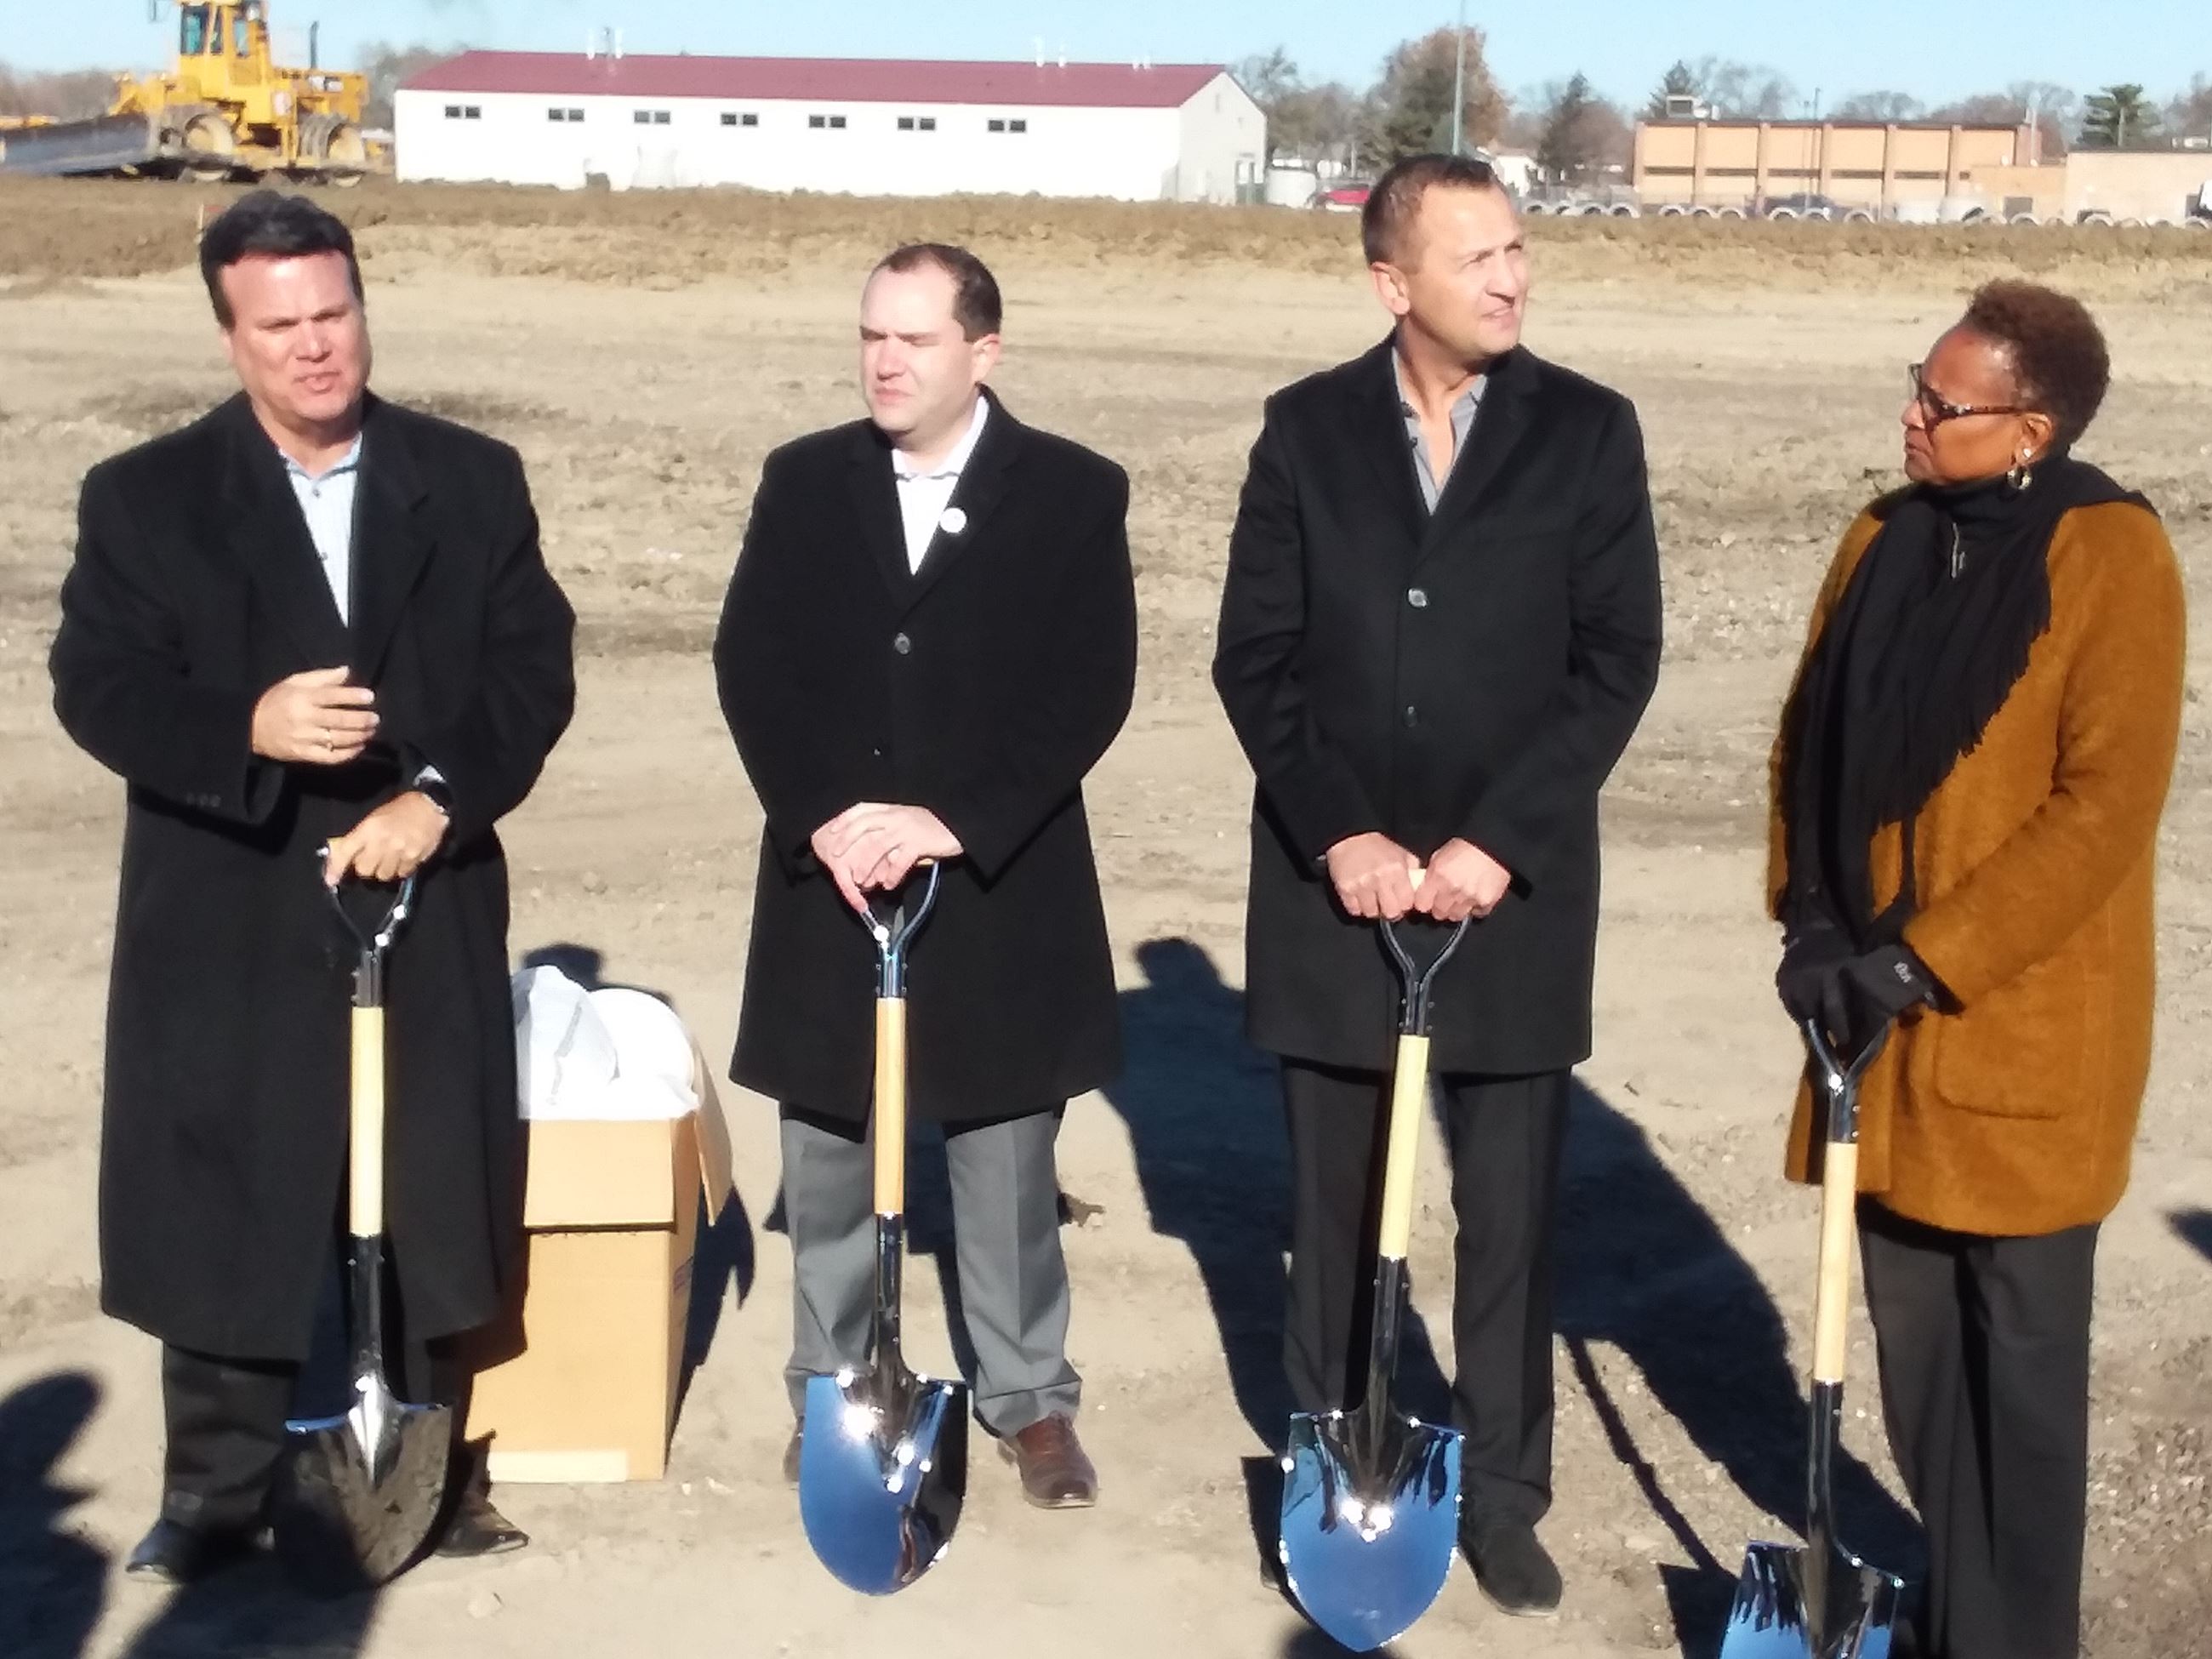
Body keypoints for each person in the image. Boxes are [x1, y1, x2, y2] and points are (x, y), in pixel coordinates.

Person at [50, 191, 575, 1582]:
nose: (313, 348)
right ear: (230, 336)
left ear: (361, 306)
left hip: (423, 890)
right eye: (278, 325)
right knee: (225, 1185)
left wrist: (439, 798)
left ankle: (428, 1469)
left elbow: (533, 673)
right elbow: (94, 686)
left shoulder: (469, 479)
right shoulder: (145, 496)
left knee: (417, 1179)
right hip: (228, 897)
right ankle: (215, 1490)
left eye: (332, 313)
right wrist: (246, 726)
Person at [1211, 153, 1662, 1614]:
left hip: (1507, 897)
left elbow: (1615, 665)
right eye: (1479, 259)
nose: (1514, 278)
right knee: (1335, 1204)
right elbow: (1256, 659)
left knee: (1512, 1216)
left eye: (1520, 251)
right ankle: (1338, 1456)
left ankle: (1507, 1492)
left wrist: (1498, 841)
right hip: (1336, 894)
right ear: (1393, 283)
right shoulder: (1301, 432)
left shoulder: (1589, 434)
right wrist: (1341, 831)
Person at [1770, 281, 2184, 1659]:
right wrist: (1813, 921)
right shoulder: (1880, 539)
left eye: (1944, 404)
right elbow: (1805, 737)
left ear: (2031, 427)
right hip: (1873, 1037)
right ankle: (1958, 1614)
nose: (1914, 414)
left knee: (2020, 1386)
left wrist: (1926, 959)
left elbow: (2104, 808)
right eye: (1918, 384)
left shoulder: (2111, 554)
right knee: (1920, 1364)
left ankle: (2018, 1640)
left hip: (2018, 1035)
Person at [714, 243, 1136, 1508]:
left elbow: (1089, 684)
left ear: (983, 353)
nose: (885, 362)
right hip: (834, 874)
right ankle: (836, 1386)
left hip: (995, 878)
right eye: (871, 338)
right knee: (831, 1145)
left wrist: (955, 816)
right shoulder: (805, 480)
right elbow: (753, 663)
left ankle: (1029, 1400)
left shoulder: (1069, 490)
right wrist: (823, 817)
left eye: (915, 340)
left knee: (1007, 1155)